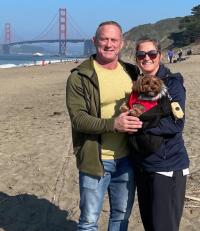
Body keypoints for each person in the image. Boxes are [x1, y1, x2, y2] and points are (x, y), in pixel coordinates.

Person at [66, 21, 142, 230]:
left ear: (121, 43)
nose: (109, 44)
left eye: (113, 39)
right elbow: (78, 119)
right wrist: (114, 124)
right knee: (89, 221)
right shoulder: (79, 77)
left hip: (127, 158)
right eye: (104, 39)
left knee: (120, 217)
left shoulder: (132, 72)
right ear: (95, 41)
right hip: (95, 159)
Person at [131, 37, 190, 231]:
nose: (146, 58)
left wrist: (138, 124)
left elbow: (176, 124)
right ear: (136, 58)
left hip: (167, 165)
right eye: (141, 54)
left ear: (160, 56)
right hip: (143, 165)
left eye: (152, 54)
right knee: (150, 225)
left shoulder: (172, 84)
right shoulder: (137, 86)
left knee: (164, 226)